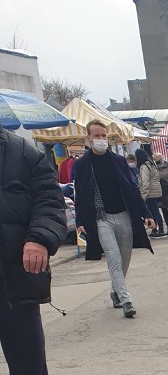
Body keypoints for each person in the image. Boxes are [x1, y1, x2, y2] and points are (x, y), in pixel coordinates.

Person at [0, 126, 67, 375]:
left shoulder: (24, 152)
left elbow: (49, 200)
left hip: (12, 275)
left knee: (27, 362)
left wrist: (39, 238)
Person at [74, 120, 155, 318]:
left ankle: (115, 291)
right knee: (113, 257)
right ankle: (126, 300)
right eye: (96, 136)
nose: (101, 139)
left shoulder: (118, 161)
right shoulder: (82, 164)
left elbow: (133, 189)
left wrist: (146, 214)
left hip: (124, 215)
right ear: (88, 138)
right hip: (102, 218)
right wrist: (80, 221)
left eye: (104, 136)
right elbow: (80, 194)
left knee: (125, 258)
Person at [136, 149, 165, 238]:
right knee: (155, 211)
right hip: (156, 190)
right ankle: (158, 229)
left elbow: (145, 182)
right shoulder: (152, 164)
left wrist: (143, 195)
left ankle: (157, 229)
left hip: (150, 192)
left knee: (152, 212)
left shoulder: (144, 167)